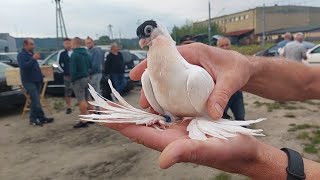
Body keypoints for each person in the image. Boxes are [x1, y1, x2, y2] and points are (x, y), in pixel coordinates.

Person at [105, 43, 320, 179]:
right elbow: (310, 82)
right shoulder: (150, 76)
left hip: (203, 115)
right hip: (183, 115)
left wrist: (261, 161)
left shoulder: (195, 76)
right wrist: (248, 66)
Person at [17, 39, 54, 126]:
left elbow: (35, 67)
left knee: (35, 101)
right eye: (31, 44)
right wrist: (33, 59)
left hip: (37, 80)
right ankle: (39, 118)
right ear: (25, 45)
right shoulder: (21, 55)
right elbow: (24, 67)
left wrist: (41, 75)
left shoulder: (32, 53)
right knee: (36, 100)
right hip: (29, 81)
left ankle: (35, 119)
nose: (33, 46)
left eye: (33, 44)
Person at [217, 37, 245, 120]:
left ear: (230, 45)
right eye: (222, 46)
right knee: (220, 118)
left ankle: (243, 131)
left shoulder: (237, 58)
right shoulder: (215, 60)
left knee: (240, 117)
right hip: (223, 94)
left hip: (237, 93)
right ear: (218, 48)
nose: (225, 47)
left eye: (227, 45)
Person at [70, 37, 92, 128]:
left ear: (74, 44)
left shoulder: (74, 54)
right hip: (87, 77)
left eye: (71, 43)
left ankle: (84, 120)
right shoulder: (86, 53)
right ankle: (92, 117)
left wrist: (73, 79)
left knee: (81, 99)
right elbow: (90, 65)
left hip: (78, 79)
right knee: (88, 98)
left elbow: (73, 70)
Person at [59, 38, 73, 114]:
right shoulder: (62, 54)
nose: (67, 45)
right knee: (67, 91)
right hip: (67, 75)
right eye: (66, 43)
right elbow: (60, 64)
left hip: (76, 76)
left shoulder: (75, 52)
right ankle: (69, 107)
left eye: (69, 43)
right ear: (64, 45)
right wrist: (64, 71)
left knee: (80, 91)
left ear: (71, 43)